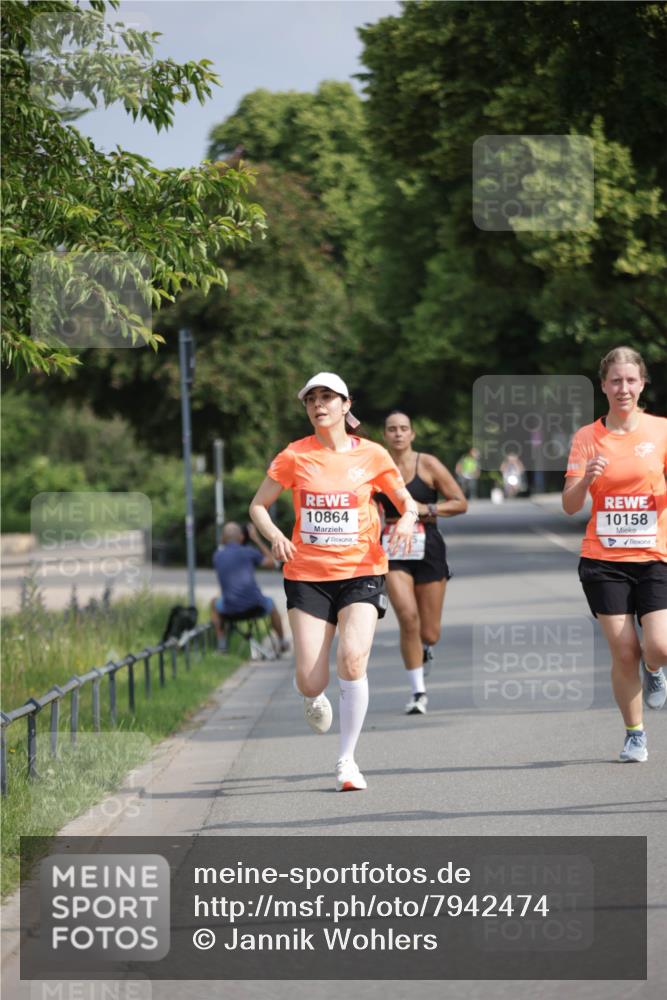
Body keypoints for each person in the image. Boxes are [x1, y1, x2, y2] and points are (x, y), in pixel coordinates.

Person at [249, 372, 418, 792]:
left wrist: (408, 520)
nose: (319, 405)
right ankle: (311, 694)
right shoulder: (294, 456)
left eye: (328, 397)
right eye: (312, 399)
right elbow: (258, 506)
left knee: (353, 659)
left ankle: (347, 761)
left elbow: (405, 502)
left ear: (346, 405)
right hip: (307, 575)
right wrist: (275, 536)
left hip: (362, 569)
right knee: (312, 678)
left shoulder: (374, 455)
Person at [563, 346, 667, 763]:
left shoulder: (661, 430)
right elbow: (570, 506)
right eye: (615, 381)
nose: (623, 388)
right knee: (624, 651)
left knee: (657, 646)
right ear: (603, 386)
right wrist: (585, 480)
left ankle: (656, 671)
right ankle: (634, 734)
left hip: (654, 554)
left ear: (642, 384)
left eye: (631, 380)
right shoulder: (587, 438)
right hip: (603, 560)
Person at [377, 411, 467, 714]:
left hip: (427, 544)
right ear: (385, 435)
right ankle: (418, 692)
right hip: (391, 547)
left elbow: (460, 502)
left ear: (412, 434)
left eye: (403, 429)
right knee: (407, 617)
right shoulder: (377, 466)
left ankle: (425, 648)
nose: (398, 434)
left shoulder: (426, 464)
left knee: (429, 632)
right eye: (392, 429)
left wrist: (425, 507)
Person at [211, 521, 288, 653]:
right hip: (255, 606)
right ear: (241, 537)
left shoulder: (217, 556)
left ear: (223, 538)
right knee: (272, 605)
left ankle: (222, 643)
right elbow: (273, 563)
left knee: (213, 603)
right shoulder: (248, 552)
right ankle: (282, 642)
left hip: (230, 608)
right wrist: (256, 539)